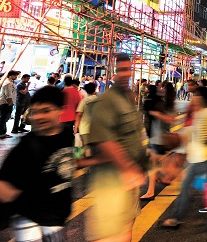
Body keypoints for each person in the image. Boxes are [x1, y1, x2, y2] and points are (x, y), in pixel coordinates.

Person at [80, 53, 147, 242]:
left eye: (128, 69)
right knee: (111, 235)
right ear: (114, 72)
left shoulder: (127, 98)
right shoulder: (107, 101)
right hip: (113, 182)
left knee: (125, 231)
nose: (125, 74)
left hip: (130, 180)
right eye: (121, 70)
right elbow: (105, 141)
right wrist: (128, 168)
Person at [0, 86, 75, 241]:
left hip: (56, 217)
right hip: (28, 217)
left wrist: (90, 158)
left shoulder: (67, 135)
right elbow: (4, 186)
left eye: (46, 111)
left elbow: (71, 154)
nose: (39, 117)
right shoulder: (27, 147)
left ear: (61, 109)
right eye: (35, 112)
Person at [160, 86, 207, 229]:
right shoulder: (199, 114)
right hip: (200, 157)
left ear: (202, 99)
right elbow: (196, 136)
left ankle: (176, 218)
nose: (193, 99)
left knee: (187, 185)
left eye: (196, 96)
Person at [140, 82, 177, 200]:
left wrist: (157, 114)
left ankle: (151, 191)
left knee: (153, 165)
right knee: (153, 163)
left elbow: (170, 119)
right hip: (156, 137)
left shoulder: (163, 104)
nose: (160, 89)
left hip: (158, 138)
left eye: (162, 87)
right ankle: (163, 178)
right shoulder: (164, 102)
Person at [0, 70, 20, 139]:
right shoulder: (8, 83)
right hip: (6, 103)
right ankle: (1, 133)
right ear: (10, 75)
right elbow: (8, 94)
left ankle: (3, 132)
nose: (16, 77)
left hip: (8, 103)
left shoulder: (11, 82)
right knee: (3, 118)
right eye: (14, 75)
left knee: (5, 118)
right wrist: (10, 103)